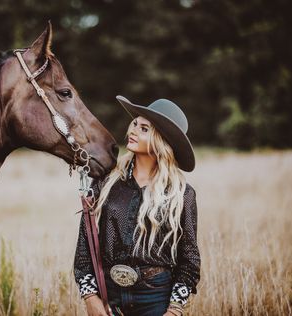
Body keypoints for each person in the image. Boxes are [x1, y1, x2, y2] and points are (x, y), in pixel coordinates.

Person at [73, 95, 200, 316]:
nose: (132, 130)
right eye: (134, 124)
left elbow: (189, 260)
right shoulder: (106, 182)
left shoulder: (181, 194)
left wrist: (174, 310)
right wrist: (90, 297)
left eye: (144, 129)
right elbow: (86, 245)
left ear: (161, 141)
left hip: (155, 298)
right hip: (110, 295)